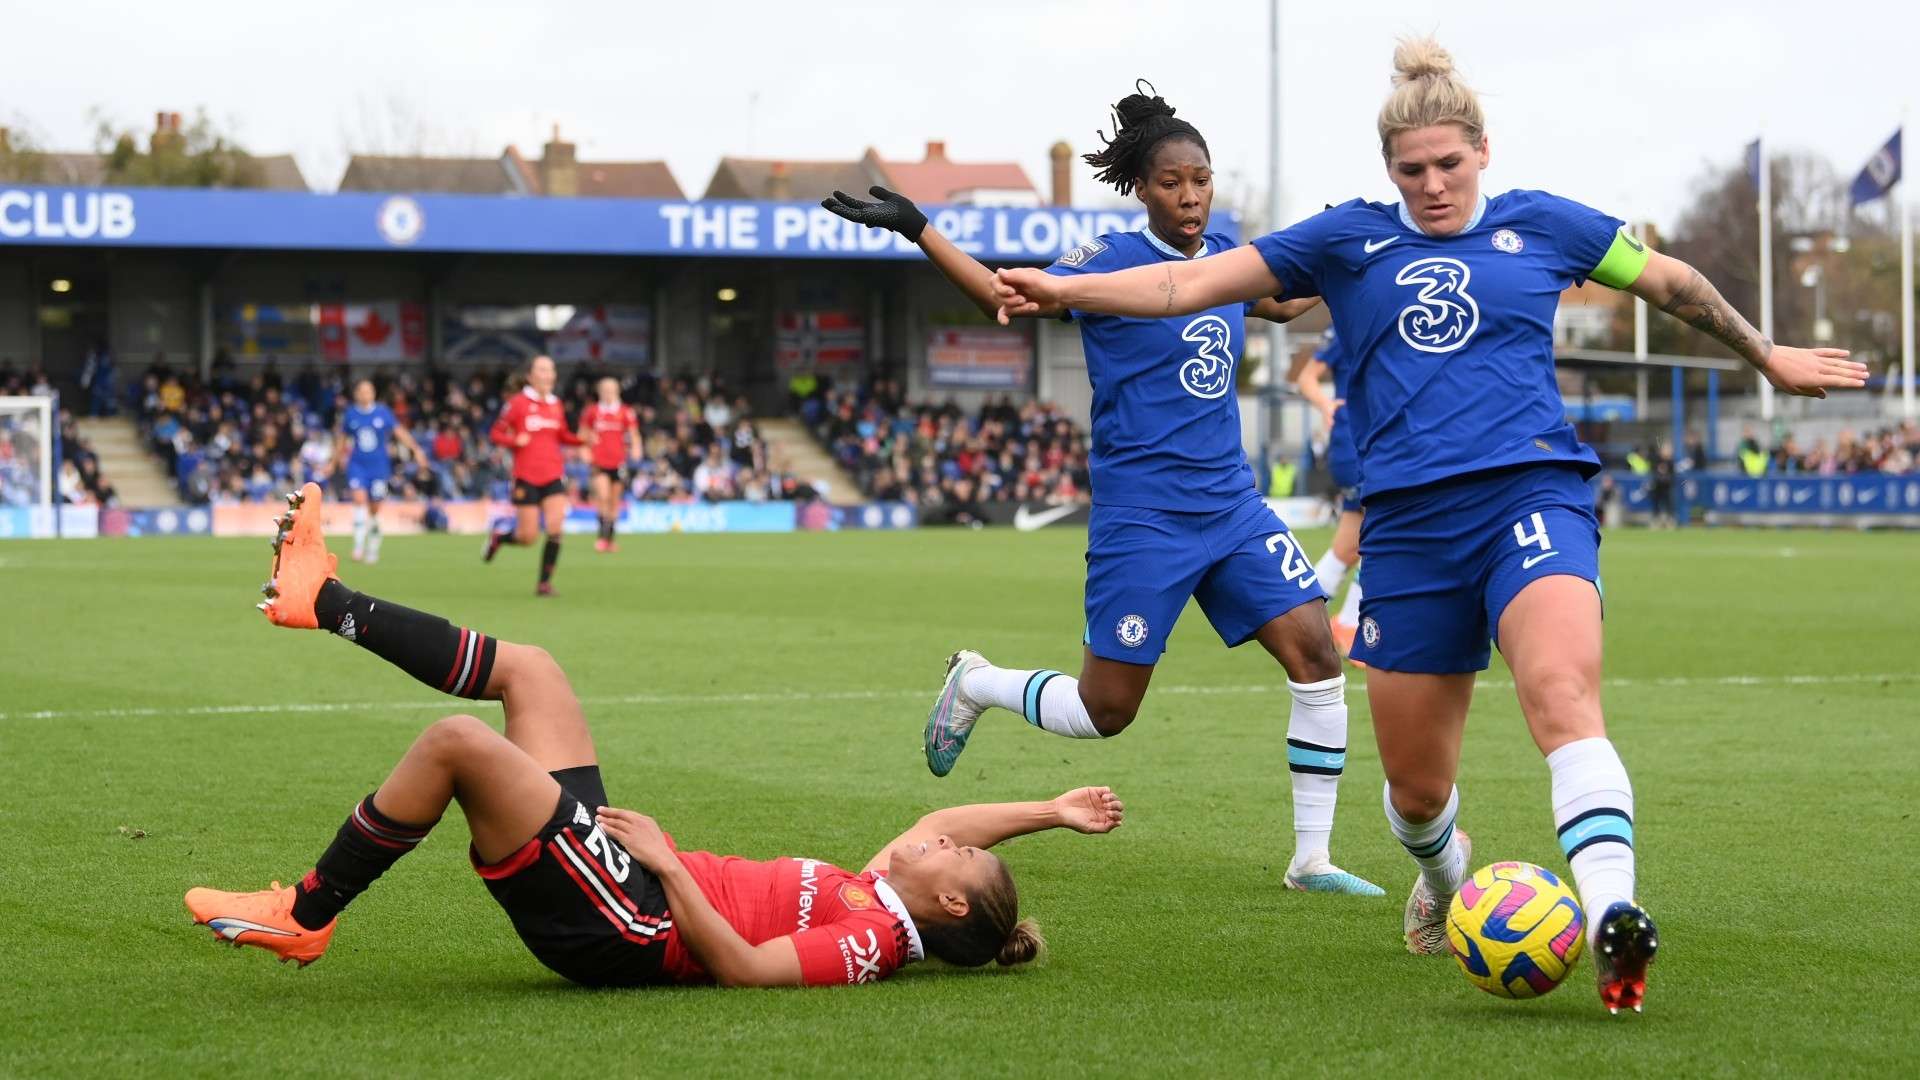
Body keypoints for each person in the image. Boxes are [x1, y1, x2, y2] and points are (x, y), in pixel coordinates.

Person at [986, 38, 1867, 1014]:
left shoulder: (1545, 225)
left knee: (1560, 691)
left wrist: (1766, 352)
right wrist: (1063, 288)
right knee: (1414, 796)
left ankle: (1616, 913)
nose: (1434, 184)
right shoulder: (1345, 240)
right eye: (1413, 169)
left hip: (1532, 495)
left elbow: (1667, 281)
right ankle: (1447, 890)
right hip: (1408, 531)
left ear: (1483, 151)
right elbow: (1177, 286)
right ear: (1389, 170)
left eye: (1450, 164)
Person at [191, 483, 1119, 985]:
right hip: (628, 878)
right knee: (534, 669)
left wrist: (670, 868)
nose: (946, 836)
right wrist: (1049, 809)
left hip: (629, 922)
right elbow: (950, 812)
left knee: (455, 744)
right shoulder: (883, 890)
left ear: (947, 905)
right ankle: (326, 602)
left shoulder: (873, 939)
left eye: (954, 856)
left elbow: (751, 970)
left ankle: (306, 917)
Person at [826, 82, 1378, 897]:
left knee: (1317, 657)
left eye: (1201, 178)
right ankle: (978, 683)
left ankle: (1311, 860)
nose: (1189, 196)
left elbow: (1287, 298)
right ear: (1140, 188)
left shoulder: (1227, 255)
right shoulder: (1107, 262)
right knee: (1106, 711)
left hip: (1230, 504)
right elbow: (998, 295)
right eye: (1170, 182)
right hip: (1145, 518)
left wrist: (1350, 247)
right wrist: (919, 228)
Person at [1291, 327, 1366, 662]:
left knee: (1349, 546)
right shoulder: (1344, 324)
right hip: (1358, 445)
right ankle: (1352, 624)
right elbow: (1307, 377)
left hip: (1373, 442)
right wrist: (1326, 405)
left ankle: (1295, 620)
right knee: (1386, 534)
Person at [484, 356, 581, 596]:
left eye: (551, 370)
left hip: (553, 474)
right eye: (543, 370)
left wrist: (583, 441)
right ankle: (499, 538)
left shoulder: (556, 404)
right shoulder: (517, 403)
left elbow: (563, 435)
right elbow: (495, 433)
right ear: (530, 376)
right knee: (527, 537)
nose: (548, 374)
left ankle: (544, 584)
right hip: (526, 476)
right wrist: (514, 440)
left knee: (556, 527)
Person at [336, 378, 425, 564]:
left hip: (379, 468)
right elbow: (342, 440)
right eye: (361, 391)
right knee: (359, 501)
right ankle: (358, 546)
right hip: (357, 465)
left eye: (368, 391)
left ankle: (373, 547)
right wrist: (333, 461)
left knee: (374, 508)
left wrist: (416, 449)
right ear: (356, 394)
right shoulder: (351, 414)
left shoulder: (383, 412)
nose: (365, 394)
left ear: (373, 393)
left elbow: (399, 432)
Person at [578, 377, 642, 552]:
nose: (608, 393)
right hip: (599, 461)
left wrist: (636, 448)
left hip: (618, 461)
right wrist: (584, 451)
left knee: (614, 501)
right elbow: (582, 434)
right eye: (605, 389)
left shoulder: (625, 411)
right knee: (603, 497)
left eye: (611, 389)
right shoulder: (592, 411)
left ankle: (610, 539)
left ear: (617, 391)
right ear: (599, 391)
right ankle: (601, 537)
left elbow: (634, 434)